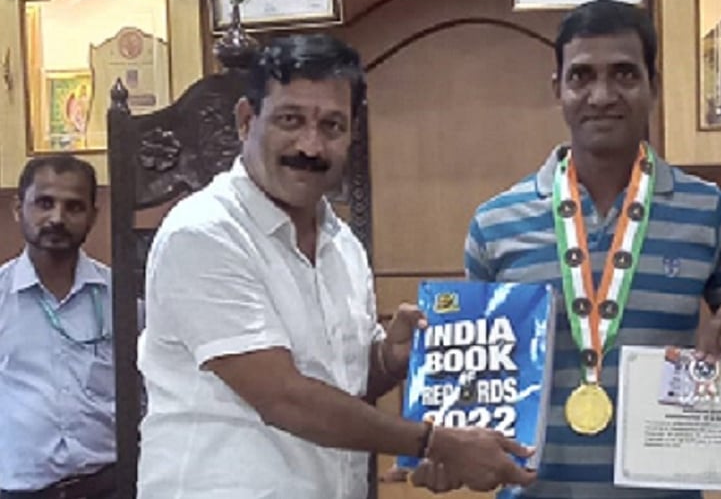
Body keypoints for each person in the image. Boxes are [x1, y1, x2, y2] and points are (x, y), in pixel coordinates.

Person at [135, 34, 535, 499]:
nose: (310, 146)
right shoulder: (203, 233)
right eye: (290, 120)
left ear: (352, 134)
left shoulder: (343, 245)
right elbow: (284, 397)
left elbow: (341, 385)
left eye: (332, 126)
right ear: (246, 120)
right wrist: (435, 442)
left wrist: (389, 359)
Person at [455, 0, 721, 499]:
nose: (601, 95)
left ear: (653, 86)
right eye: (581, 76)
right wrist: (440, 446)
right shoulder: (495, 224)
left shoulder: (709, 211)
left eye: (624, 74)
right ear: (557, 89)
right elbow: (472, 373)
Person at [0, 156, 116, 499]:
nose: (57, 219)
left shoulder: (123, 297)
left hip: (110, 484)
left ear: (93, 216)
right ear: (18, 209)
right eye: (44, 203)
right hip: (22, 490)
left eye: (74, 207)